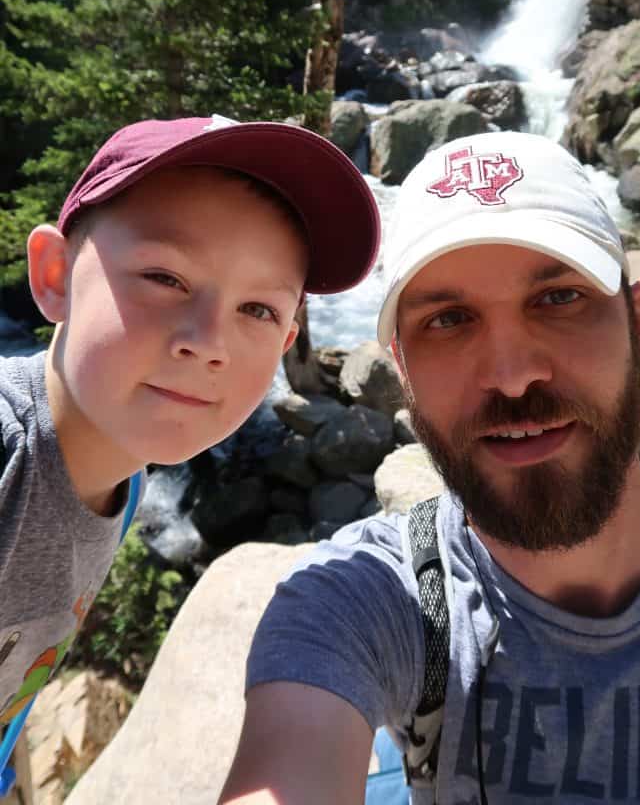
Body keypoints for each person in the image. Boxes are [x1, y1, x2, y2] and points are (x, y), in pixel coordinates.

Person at [219, 130, 640, 805]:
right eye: (448, 319)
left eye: (558, 299)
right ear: (402, 371)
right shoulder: (364, 601)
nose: (513, 375)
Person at [0, 114, 380, 732]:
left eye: (256, 308)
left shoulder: (124, 488)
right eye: (165, 277)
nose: (209, 344)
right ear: (54, 275)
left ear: (286, 341)